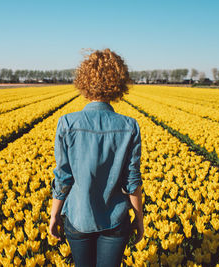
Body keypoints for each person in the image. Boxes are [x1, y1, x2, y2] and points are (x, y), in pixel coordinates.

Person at [49, 48, 144, 267]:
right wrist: (139, 220)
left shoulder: (67, 124)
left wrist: (54, 215)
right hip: (115, 219)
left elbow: (63, 178)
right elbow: (132, 182)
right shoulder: (129, 126)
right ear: (118, 83)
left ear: (84, 81)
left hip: (79, 217)